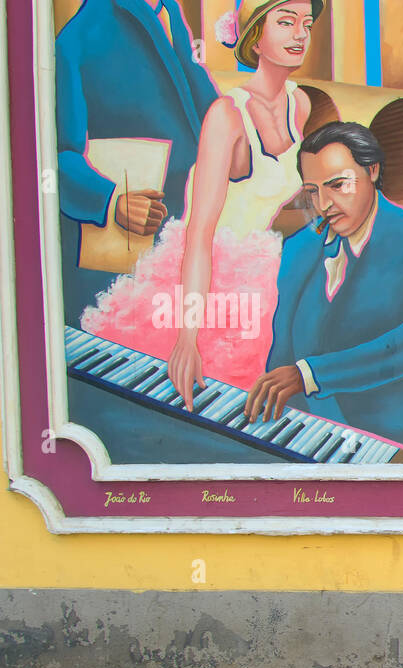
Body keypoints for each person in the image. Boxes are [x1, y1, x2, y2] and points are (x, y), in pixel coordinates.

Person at [79, 0, 322, 407]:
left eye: (307, 24)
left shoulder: (301, 105)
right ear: (255, 37)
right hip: (210, 281)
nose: (300, 34)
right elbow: (199, 232)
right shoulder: (227, 115)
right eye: (286, 22)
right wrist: (188, 337)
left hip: (268, 278)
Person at [244, 123, 403, 451]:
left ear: (372, 170)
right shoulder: (298, 248)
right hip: (302, 432)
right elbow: (281, 351)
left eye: (338, 185)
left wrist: (311, 375)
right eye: (312, 191)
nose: (324, 204)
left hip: (385, 443)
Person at [55, 0, 220, 326]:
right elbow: (54, 154)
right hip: (121, 263)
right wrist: (112, 201)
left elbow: (202, 106)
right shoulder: (81, 35)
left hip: (183, 245)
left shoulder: (172, 12)